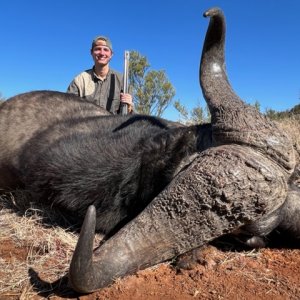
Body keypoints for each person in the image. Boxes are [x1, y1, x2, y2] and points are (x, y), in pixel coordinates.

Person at [67, 35, 133, 114]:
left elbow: (131, 117)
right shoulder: (80, 80)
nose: (102, 53)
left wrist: (130, 108)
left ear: (111, 54)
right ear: (91, 52)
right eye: (98, 49)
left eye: (105, 49)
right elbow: (68, 110)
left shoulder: (122, 80)